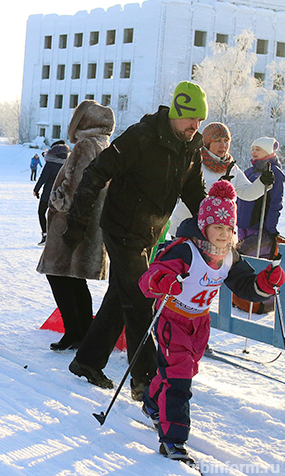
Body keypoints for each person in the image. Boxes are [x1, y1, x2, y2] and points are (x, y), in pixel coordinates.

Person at [63, 81, 208, 400]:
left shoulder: (191, 148)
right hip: (121, 227)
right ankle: (147, 384)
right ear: (176, 112)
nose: (195, 126)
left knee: (121, 295)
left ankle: (87, 361)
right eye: (191, 119)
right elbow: (96, 172)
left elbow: (195, 192)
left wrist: (214, 225)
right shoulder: (141, 137)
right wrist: (78, 221)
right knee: (142, 298)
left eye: (200, 120)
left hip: (149, 234)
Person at [138, 180, 283, 465]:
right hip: (172, 318)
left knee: (184, 370)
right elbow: (150, 279)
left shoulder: (229, 255)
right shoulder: (185, 250)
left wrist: (265, 284)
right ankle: (173, 440)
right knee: (179, 378)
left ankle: (152, 402)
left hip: (199, 323)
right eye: (218, 227)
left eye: (229, 229)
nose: (223, 234)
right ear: (204, 226)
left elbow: (244, 285)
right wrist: (164, 280)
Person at [36, 101, 114, 351]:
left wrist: (55, 201)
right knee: (74, 279)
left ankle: (75, 331)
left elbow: (75, 185)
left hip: (71, 221)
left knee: (59, 274)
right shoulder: (103, 143)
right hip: (91, 222)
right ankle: (81, 332)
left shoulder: (84, 145)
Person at [169, 122, 270, 237]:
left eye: (226, 140)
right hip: (187, 228)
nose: (223, 145)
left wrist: (262, 183)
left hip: (217, 231)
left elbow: (246, 192)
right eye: (217, 141)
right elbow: (191, 192)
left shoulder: (231, 167)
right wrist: (219, 187)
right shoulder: (195, 162)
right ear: (207, 143)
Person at [237, 137, 285, 260]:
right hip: (242, 225)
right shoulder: (248, 172)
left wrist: (271, 228)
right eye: (252, 149)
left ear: (268, 152)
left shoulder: (274, 173)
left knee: (254, 260)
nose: (253, 152)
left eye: (258, 149)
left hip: (259, 228)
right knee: (241, 259)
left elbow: (275, 202)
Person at [34, 141, 70, 245]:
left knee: (41, 212)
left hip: (48, 194)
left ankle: (45, 235)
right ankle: (58, 237)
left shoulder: (50, 164)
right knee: (57, 215)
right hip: (61, 194)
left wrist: (36, 189)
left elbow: (43, 178)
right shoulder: (66, 164)